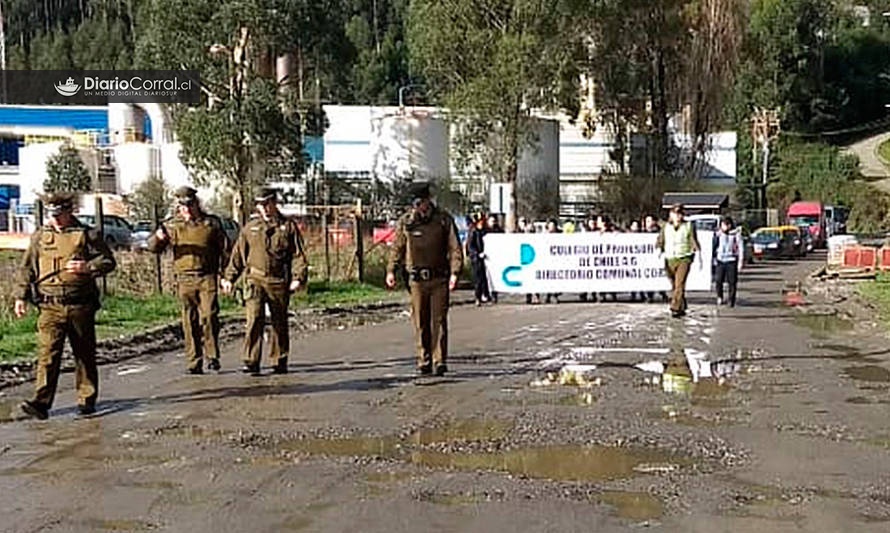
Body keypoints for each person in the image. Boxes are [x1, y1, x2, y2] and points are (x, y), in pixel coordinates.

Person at [14, 192, 116, 420]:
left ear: (70, 212)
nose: (56, 220)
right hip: (49, 305)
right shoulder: (41, 235)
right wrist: (20, 296)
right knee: (47, 354)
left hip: (80, 304)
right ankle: (41, 403)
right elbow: (27, 268)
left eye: (60, 215)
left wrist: (87, 267)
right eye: (52, 215)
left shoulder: (87, 234)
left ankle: (86, 399)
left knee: (84, 353)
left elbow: (108, 261)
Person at [222, 188, 309, 375]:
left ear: (274, 203)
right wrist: (229, 278)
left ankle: (279, 359)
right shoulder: (250, 228)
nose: (263, 208)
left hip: (278, 281)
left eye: (266, 204)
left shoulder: (288, 227)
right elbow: (238, 255)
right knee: (254, 319)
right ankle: (251, 360)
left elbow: (298, 256)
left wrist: (298, 278)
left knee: (279, 322)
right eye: (260, 204)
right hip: (255, 279)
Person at [148, 186, 229, 374]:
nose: (187, 209)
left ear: (196, 204)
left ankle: (212, 355)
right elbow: (153, 248)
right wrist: (158, 239)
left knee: (209, 315)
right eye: (183, 206)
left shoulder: (211, 224)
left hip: (207, 276)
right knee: (189, 320)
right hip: (184, 278)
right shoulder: (172, 225)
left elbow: (225, 251)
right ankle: (194, 361)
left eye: (190, 205)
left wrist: (225, 276)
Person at [386, 182, 463, 376]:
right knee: (420, 321)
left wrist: (455, 272)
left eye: (421, 201)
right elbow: (398, 248)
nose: (419, 206)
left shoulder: (443, 220)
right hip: (417, 279)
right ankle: (424, 360)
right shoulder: (406, 222)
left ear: (429, 200)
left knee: (438, 320)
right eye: (415, 203)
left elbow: (455, 248)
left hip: (439, 278)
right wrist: (391, 270)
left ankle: (439, 361)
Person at [656, 204, 701, 318]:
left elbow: (693, 240)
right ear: (671, 214)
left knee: (679, 284)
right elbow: (660, 240)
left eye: (680, 213)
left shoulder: (688, 226)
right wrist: (658, 250)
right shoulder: (665, 227)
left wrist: (699, 254)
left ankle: (675, 307)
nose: (678, 216)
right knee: (674, 285)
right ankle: (682, 305)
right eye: (675, 213)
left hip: (684, 257)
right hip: (670, 259)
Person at [713, 216, 742, 307]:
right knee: (718, 280)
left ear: (730, 225)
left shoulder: (736, 234)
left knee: (732, 282)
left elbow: (740, 248)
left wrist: (740, 261)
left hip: (731, 260)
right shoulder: (718, 234)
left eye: (726, 225)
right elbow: (714, 246)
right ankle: (720, 296)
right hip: (720, 260)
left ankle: (731, 300)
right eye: (722, 225)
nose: (724, 227)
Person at [467, 212, 491, 306]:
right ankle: (478, 297)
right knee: (478, 279)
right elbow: (470, 247)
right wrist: (477, 254)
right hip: (476, 259)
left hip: (486, 259)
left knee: (485, 278)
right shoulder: (473, 232)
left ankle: (486, 295)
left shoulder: (485, 232)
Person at [644, 215, 668, 304]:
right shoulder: (642, 232)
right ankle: (649, 296)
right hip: (647, 259)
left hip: (657, 258)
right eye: (646, 221)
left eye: (649, 221)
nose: (647, 223)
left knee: (658, 276)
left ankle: (663, 293)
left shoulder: (659, 232)